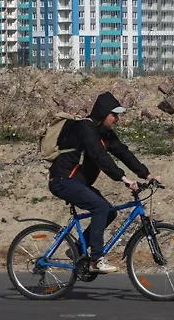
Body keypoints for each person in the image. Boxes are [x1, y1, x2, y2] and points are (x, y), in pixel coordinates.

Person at [48, 91, 161, 274]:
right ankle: (96, 259)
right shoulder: (85, 128)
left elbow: (123, 153)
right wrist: (123, 178)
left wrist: (147, 175)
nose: (117, 118)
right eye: (114, 114)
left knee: (109, 212)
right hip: (62, 180)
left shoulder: (105, 133)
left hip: (75, 182)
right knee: (100, 207)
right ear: (103, 113)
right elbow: (98, 155)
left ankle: (76, 250)